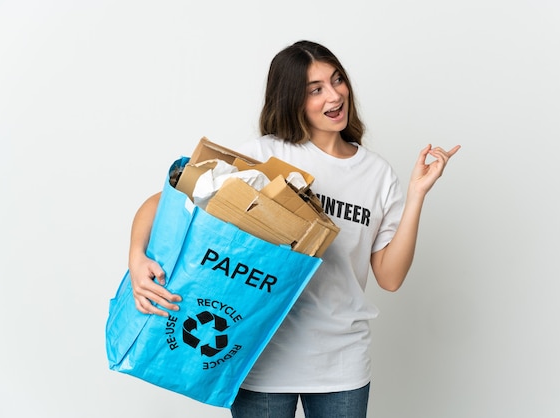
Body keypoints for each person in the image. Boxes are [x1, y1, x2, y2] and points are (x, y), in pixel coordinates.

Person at [127, 40, 460, 418]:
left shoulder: (377, 174)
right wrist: (137, 258)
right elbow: (163, 201)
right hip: (260, 358)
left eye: (337, 81)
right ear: (291, 100)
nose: (334, 96)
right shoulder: (268, 156)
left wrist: (417, 193)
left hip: (341, 363)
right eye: (315, 89)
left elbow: (390, 277)